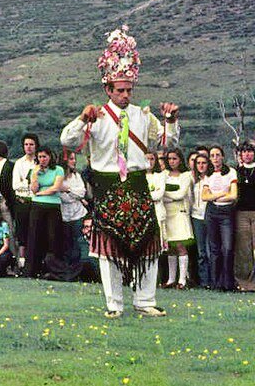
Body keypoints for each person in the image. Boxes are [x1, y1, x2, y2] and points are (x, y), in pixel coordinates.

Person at [60, 25, 178, 318]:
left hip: (137, 183)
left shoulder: (143, 114)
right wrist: (80, 118)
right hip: (108, 185)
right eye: (120, 90)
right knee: (107, 249)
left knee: (149, 245)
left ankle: (145, 300)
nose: (126, 95)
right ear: (108, 89)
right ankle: (114, 305)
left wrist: (171, 121)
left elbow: (167, 142)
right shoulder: (95, 116)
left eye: (129, 90)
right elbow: (68, 141)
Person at [202, 145, 237, 291]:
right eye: (212, 155)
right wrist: (222, 194)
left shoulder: (231, 172)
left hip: (226, 213)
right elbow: (204, 196)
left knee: (227, 248)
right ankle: (216, 283)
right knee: (214, 249)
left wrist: (214, 196)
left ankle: (228, 283)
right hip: (212, 213)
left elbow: (233, 196)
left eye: (217, 155)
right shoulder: (208, 174)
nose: (215, 158)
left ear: (222, 156)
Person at [25, 147, 64, 278]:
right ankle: (32, 270)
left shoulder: (58, 169)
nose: (42, 160)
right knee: (35, 237)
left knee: (53, 237)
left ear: (50, 157)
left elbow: (56, 187)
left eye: (45, 157)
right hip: (37, 206)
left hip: (53, 206)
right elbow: (34, 189)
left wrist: (42, 192)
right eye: (40, 157)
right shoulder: (34, 170)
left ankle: (54, 270)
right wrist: (35, 175)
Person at [161, 148, 193, 289]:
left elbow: (180, 194)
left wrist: (166, 195)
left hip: (179, 213)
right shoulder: (163, 174)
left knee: (180, 246)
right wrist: (166, 195)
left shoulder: (186, 175)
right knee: (170, 248)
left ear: (180, 159)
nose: (172, 161)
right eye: (169, 159)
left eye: (174, 158)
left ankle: (182, 280)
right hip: (166, 213)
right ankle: (171, 279)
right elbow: (158, 191)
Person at [11, 134, 39, 271]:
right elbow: (16, 185)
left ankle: (35, 264)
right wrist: (29, 181)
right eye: (26, 144)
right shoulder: (19, 163)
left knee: (35, 233)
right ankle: (22, 264)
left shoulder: (39, 162)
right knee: (22, 234)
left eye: (31, 144)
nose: (29, 147)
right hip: (22, 201)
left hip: (36, 201)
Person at [59, 151, 88, 266]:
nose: (74, 161)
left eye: (74, 159)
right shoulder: (59, 177)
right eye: (71, 159)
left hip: (78, 215)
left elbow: (82, 193)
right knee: (66, 245)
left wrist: (68, 189)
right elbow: (63, 198)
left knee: (78, 244)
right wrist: (73, 194)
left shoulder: (77, 175)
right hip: (64, 216)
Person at [190, 152, 213, 288]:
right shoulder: (192, 179)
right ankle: (204, 282)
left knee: (211, 250)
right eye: (198, 163)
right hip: (196, 217)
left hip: (210, 216)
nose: (201, 165)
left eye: (203, 163)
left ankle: (214, 280)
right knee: (201, 251)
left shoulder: (211, 178)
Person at [234, 142, 255, 291]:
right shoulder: (236, 171)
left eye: (250, 151)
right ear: (240, 154)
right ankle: (244, 283)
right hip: (241, 213)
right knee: (243, 249)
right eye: (244, 151)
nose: (247, 154)